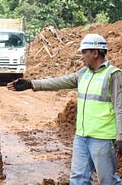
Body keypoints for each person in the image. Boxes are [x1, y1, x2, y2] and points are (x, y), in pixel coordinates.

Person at [7, 33, 122, 185]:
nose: (82, 56)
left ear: (95, 53)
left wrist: (120, 137)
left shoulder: (113, 75)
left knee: (107, 181)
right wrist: (31, 84)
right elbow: (59, 82)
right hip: (81, 137)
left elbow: (120, 107)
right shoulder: (83, 74)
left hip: (102, 138)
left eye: (84, 52)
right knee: (78, 179)